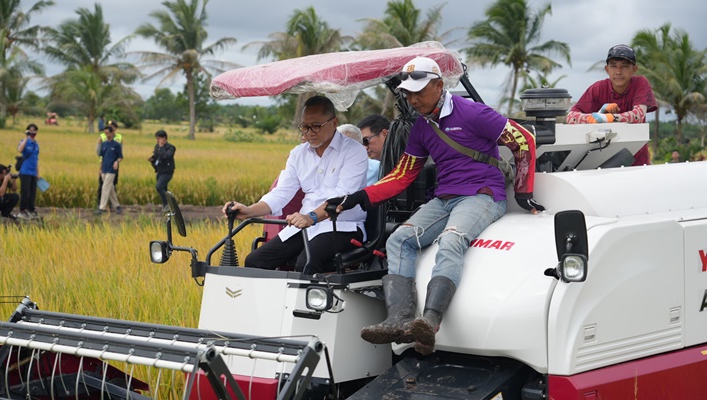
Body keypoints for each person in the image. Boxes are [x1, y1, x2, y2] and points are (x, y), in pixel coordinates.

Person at [328, 56, 543, 355]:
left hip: (482, 195)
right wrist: (358, 197)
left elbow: (523, 140)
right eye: (408, 93)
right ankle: (399, 320)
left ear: (439, 85)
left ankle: (430, 320)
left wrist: (523, 191)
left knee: (452, 240)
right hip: (444, 198)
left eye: (420, 91)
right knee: (399, 240)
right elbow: (402, 175)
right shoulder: (421, 128)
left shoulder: (473, 113)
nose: (413, 99)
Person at [223, 96, 369, 275]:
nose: (309, 133)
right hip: (306, 226)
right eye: (305, 127)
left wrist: (311, 217)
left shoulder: (355, 151)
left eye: (316, 126)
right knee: (255, 261)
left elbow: (343, 197)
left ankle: (309, 303)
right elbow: (282, 192)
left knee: (306, 263)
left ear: (333, 123)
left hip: (342, 226)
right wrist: (249, 210)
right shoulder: (298, 154)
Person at [566, 44, 658, 166]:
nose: (618, 72)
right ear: (607, 69)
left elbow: (638, 115)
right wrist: (591, 118)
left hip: (638, 164)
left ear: (634, 69)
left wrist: (609, 118)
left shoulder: (640, 83)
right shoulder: (598, 88)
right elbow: (570, 117)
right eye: (613, 66)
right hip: (603, 165)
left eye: (624, 66)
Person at [96, 120, 123, 209]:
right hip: (104, 168)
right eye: (105, 133)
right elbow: (101, 156)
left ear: (112, 132)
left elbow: (120, 156)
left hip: (112, 169)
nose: (106, 135)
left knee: (105, 187)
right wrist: (100, 168)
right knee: (110, 188)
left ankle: (102, 207)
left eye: (108, 133)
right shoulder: (103, 144)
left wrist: (116, 162)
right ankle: (117, 205)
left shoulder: (117, 144)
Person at [17, 123, 40, 220]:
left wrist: (38, 173)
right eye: (30, 130)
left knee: (32, 192)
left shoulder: (36, 144)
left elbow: (36, 159)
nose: (32, 132)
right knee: (25, 192)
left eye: (34, 130)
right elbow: (19, 149)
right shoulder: (24, 142)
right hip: (25, 171)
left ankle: (31, 210)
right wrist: (26, 137)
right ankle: (22, 211)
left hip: (33, 172)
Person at [149, 129, 176, 210]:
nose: (157, 140)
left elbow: (166, 156)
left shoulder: (170, 148)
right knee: (164, 189)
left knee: (159, 186)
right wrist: (152, 160)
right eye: (157, 138)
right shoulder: (157, 147)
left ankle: (167, 204)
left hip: (167, 172)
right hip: (160, 171)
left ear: (164, 138)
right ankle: (169, 205)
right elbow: (157, 157)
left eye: (159, 138)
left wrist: (161, 147)